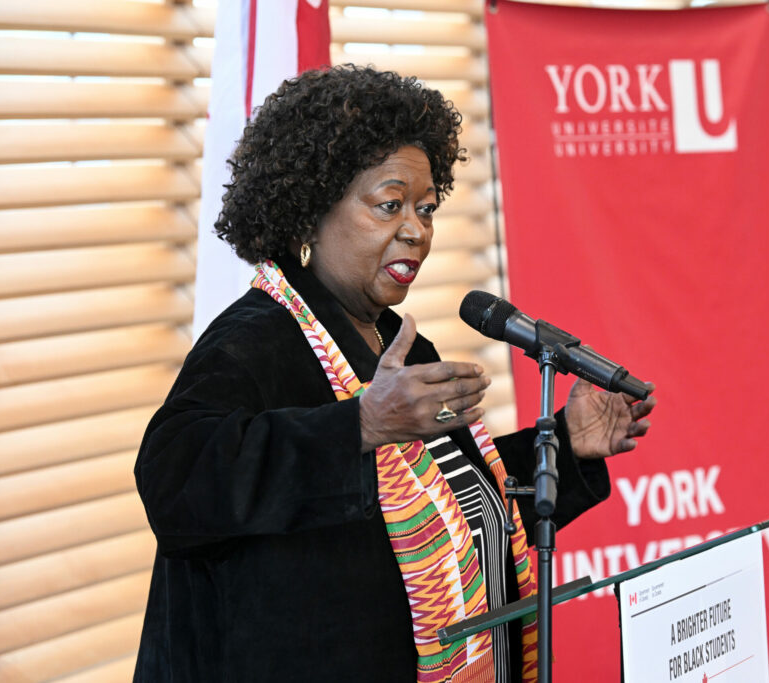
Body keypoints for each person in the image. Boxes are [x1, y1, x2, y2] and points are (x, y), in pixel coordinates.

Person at [133, 65, 656, 683]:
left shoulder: (397, 342)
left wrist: (564, 444)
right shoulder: (252, 341)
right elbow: (174, 480)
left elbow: (446, 506)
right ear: (308, 211)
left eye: (426, 209)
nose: (416, 230)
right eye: (390, 205)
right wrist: (358, 424)